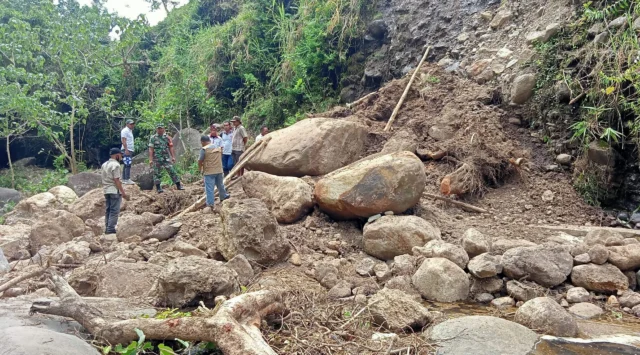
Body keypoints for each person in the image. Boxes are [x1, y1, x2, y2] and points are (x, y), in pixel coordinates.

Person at [148, 123, 184, 193]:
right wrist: (150, 159)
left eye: (161, 128)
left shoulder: (167, 138)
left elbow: (171, 147)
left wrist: (173, 157)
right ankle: (158, 188)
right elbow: (151, 149)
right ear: (156, 129)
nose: (160, 130)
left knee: (172, 170)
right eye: (158, 128)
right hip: (157, 158)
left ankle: (178, 185)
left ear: (163, 129)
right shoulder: (153, 138)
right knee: (157, 173)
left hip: (166, 158)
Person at [102, 148, 129, 234]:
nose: (121, 157)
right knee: (114, 211)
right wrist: (123, 193)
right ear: (117, 155)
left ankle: (107, 228)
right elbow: (116, 180)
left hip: (106, 190)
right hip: (114, 190)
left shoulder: (104, 164)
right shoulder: (116, 165)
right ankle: (111, 229)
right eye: (121, 155)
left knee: (108, 210)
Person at [198, 135, 229, 212]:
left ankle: (210, 204)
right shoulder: (218, 147)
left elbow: (200, 160)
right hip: (219, 169)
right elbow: (220, 156)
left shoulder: (204, 149)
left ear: (202, 142)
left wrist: (200, 168)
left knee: (209, 188)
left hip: (209, 171)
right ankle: (223, 196)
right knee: (220, 184)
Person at [120, 119, 136, 185]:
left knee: (126, 164)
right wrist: (126, 149)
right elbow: (123, 140)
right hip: (127, 149)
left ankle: (124, 179)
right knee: (128, 164)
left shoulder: (130, 131)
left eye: (132, 124)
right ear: (127, 124)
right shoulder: (125, 131)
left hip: (129, 149)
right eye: (130, 124)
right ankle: (127, 179)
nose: (132, 125)